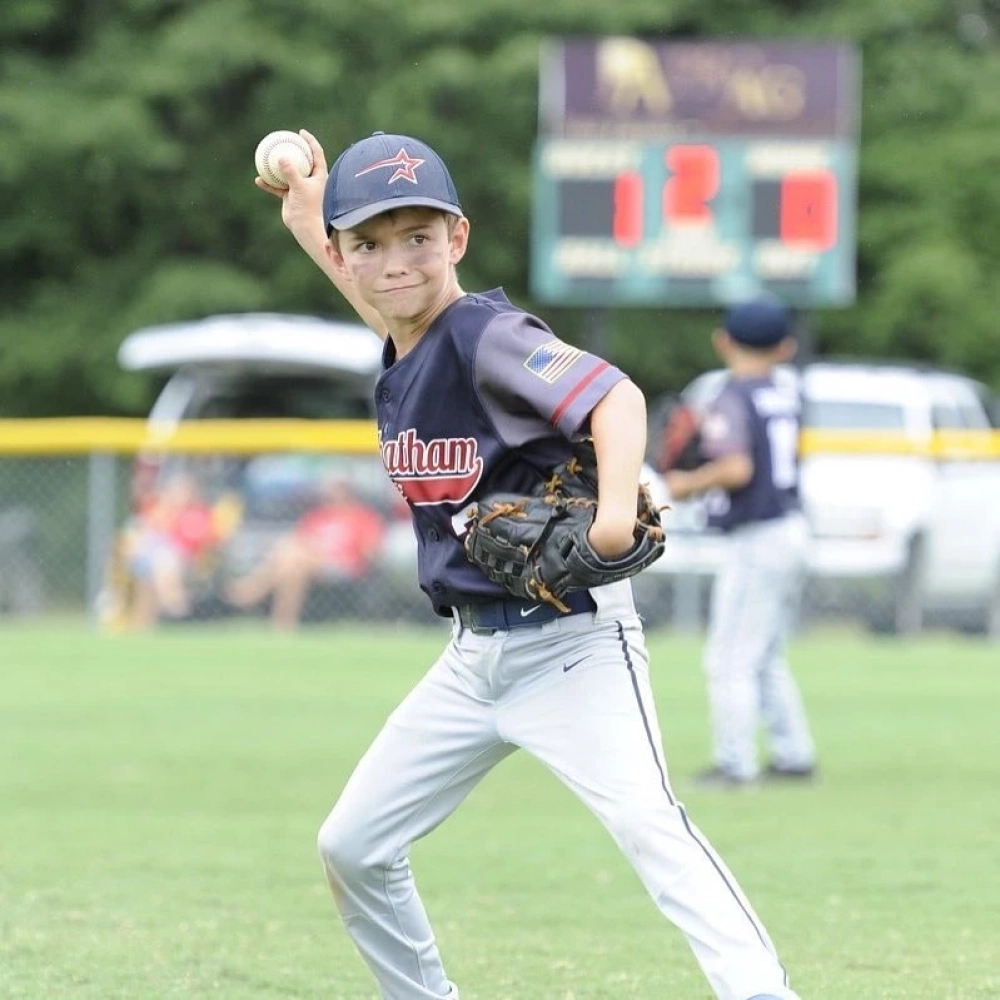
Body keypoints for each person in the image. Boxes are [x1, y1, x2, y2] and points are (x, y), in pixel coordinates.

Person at [256, 128, 800, 1000]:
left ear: (457, 239)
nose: (396, 263)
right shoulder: (409, 337)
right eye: (369, 244)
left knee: (652, 828)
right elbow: (380, 293)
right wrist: (306, 219)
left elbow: (616, 396)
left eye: (418, 237)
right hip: (472, 660)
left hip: (572, 649)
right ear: (346, 255)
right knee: (351, 845)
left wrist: (614, 520)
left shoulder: (486, 333)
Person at [665, 295, 818, 789]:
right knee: (765, 653)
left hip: (758, 536)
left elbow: (736, 468)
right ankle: (794, 754)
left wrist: (688, 482)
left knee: (730, 657)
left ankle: (735, 764)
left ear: (723, 341)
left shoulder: (732, 394)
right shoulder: (786, 393)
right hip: (790, 528)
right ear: (785, 348)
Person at [225, 476, 386, 629]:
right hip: (308, 561)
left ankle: (250, 591)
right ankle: (283, 624)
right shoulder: (317, 516)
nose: (332, 496)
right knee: (292, 563)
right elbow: (299, 539)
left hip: (343, 565)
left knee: (292, 557)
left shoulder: (363, 517)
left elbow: (370, 550)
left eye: (338, 491)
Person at [123, 471, 221, 629]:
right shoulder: (160, 510)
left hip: (187, 562)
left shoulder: (198, 514)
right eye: (176, 490)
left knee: (164, 562)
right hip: (156, 560)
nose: (179, 494)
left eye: (183, 490)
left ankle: (179, 613)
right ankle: (149, 622)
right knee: (153, 565)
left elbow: (201, 544)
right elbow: (143, 535)